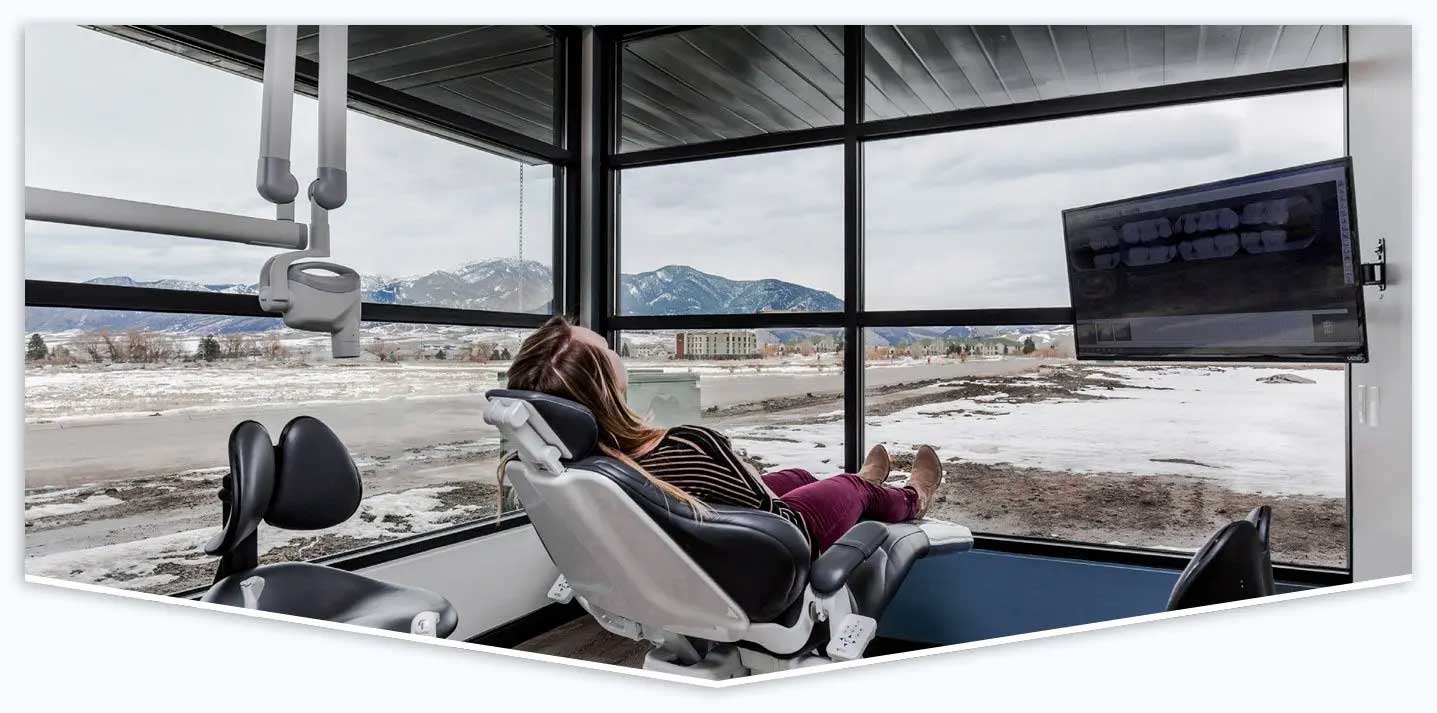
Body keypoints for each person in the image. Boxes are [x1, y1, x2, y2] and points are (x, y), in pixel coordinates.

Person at [496, 316, 942, 558]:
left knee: (801, 472)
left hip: (708, 532)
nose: (617, 351)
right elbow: (767, 509)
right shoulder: (684, 446)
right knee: (849, 488)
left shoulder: (584, 464)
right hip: (776, 540)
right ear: (605, 388)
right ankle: (909, 496)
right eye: (609, 351)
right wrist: (739, 466)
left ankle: (868, 483)